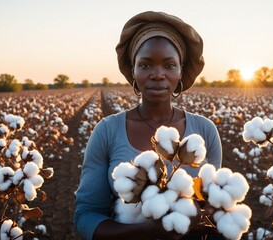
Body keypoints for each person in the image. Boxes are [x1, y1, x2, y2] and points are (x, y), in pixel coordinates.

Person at [74, 11, 223, 240]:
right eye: (145, 65)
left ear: (181, 71)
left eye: (169, 65)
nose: (157, 75)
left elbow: (213, 207)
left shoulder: (204, 131)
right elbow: (86, 217)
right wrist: (151, 230)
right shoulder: (107, 131)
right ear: (132, 71)